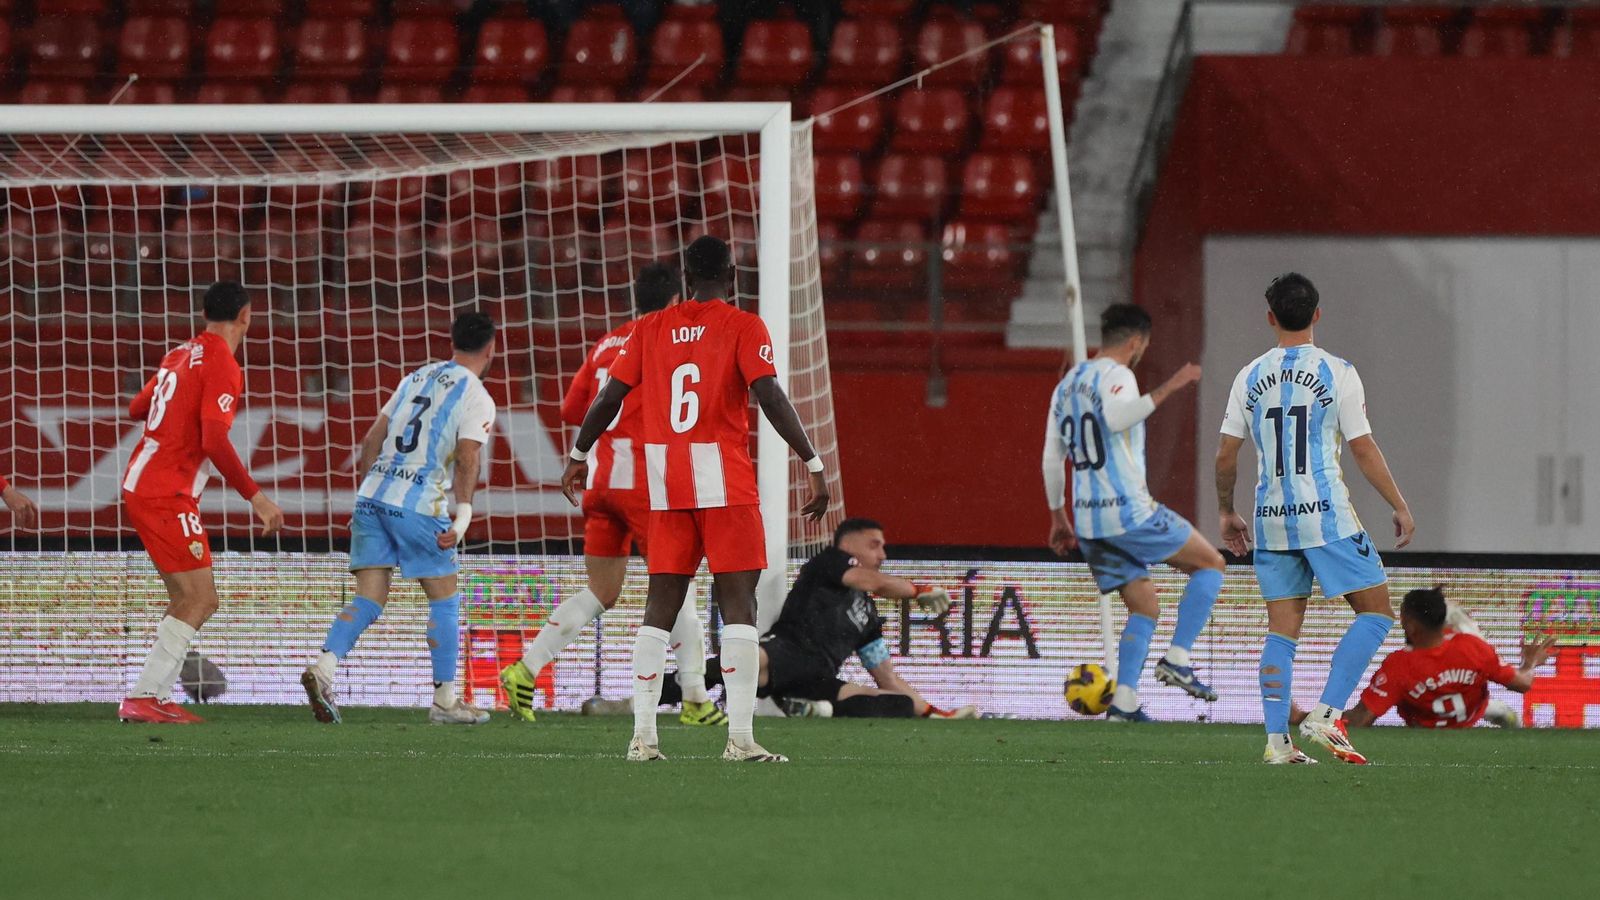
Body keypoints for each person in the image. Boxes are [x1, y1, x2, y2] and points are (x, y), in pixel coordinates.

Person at [561, 234, 829, 763]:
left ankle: (642, 738)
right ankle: (741, 739)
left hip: (666, 485)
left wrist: (578, 453)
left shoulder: (649, 327)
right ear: (731, 274)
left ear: (686, 274)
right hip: (724, 483)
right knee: (739, 606)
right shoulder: (742, 326)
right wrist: (813, 462)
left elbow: (608, 397)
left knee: (659, 606)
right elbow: (770, 395)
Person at [499, 264, 722, 727]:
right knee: (680, 583)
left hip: (601, 484)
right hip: (646, 484)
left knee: (602, 590)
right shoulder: (670, 339)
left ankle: (526, 668)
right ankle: (697, 699)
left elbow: (571, 409)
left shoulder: (606, 343)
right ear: (677, 297)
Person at [1216, 272, 1416, 765]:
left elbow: (1226, 455)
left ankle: (1276, 743)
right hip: (1325, 515)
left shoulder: (1248, 376)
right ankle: (1327, 714)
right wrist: (1398, 502)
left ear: (1270, 317)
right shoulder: (1338, 372)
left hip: (1271, 518)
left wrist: (1226, 509)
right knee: (1375, 612)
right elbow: (1362, 447)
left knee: (1281, 631)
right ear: (1317, 314)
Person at [300, 312, 498, 726]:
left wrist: (366, 493)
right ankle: (445, 702)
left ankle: (323, 667)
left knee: (369, 597)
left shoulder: (416, 376)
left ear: (453, 342)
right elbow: (467, 457)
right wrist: (462, 519)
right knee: (444, 598)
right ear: (491, 349)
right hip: (418, 504)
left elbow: (373, 437)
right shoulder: (476, 394)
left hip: (372, 496)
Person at [589, 518, 974, 720]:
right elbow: (867, 580)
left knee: (896, 704)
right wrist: (917, 590)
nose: (883, 553)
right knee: (740, 665)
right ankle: (632, 703)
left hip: (819, 678)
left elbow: (886, 675)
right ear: (849, 544)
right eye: (875, 544)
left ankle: (818, 710)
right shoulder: (831, 563)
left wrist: (935, 712)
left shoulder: (868, 615)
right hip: (788, 650)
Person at [1043, 304, 1226, 721]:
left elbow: (1052, 459)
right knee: (1210, 564)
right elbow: (1118, 416)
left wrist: (1058, 518)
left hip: (1088, 519)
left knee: (1144, 606)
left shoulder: (1067, 384)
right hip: (1128, 511)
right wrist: (1172, 386)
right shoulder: (1118, 375)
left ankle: (1123, 704)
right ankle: (1178, 659)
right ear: (1135, 342)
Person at [117, 281, 284, 724]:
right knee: (202, 598)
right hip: (166, 492)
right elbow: (214, 437)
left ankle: (154, 694)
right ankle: (144, 696)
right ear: (245, 316)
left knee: (185, 597)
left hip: (142, 484)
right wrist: (257, 497)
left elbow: (137, 408)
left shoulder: (179, 353)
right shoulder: (223, 364)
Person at [1290, 588, 1556, 730]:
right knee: (1496, 710)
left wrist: (1300, 716)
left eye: (1404, 618)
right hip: (1470, 716)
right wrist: (1530, 663)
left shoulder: (1399, 665)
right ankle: (1510, 724)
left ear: (1412, 626)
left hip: (1427, 729)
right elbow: (1522, 684)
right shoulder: (1472, 647)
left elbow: (1360, 720)